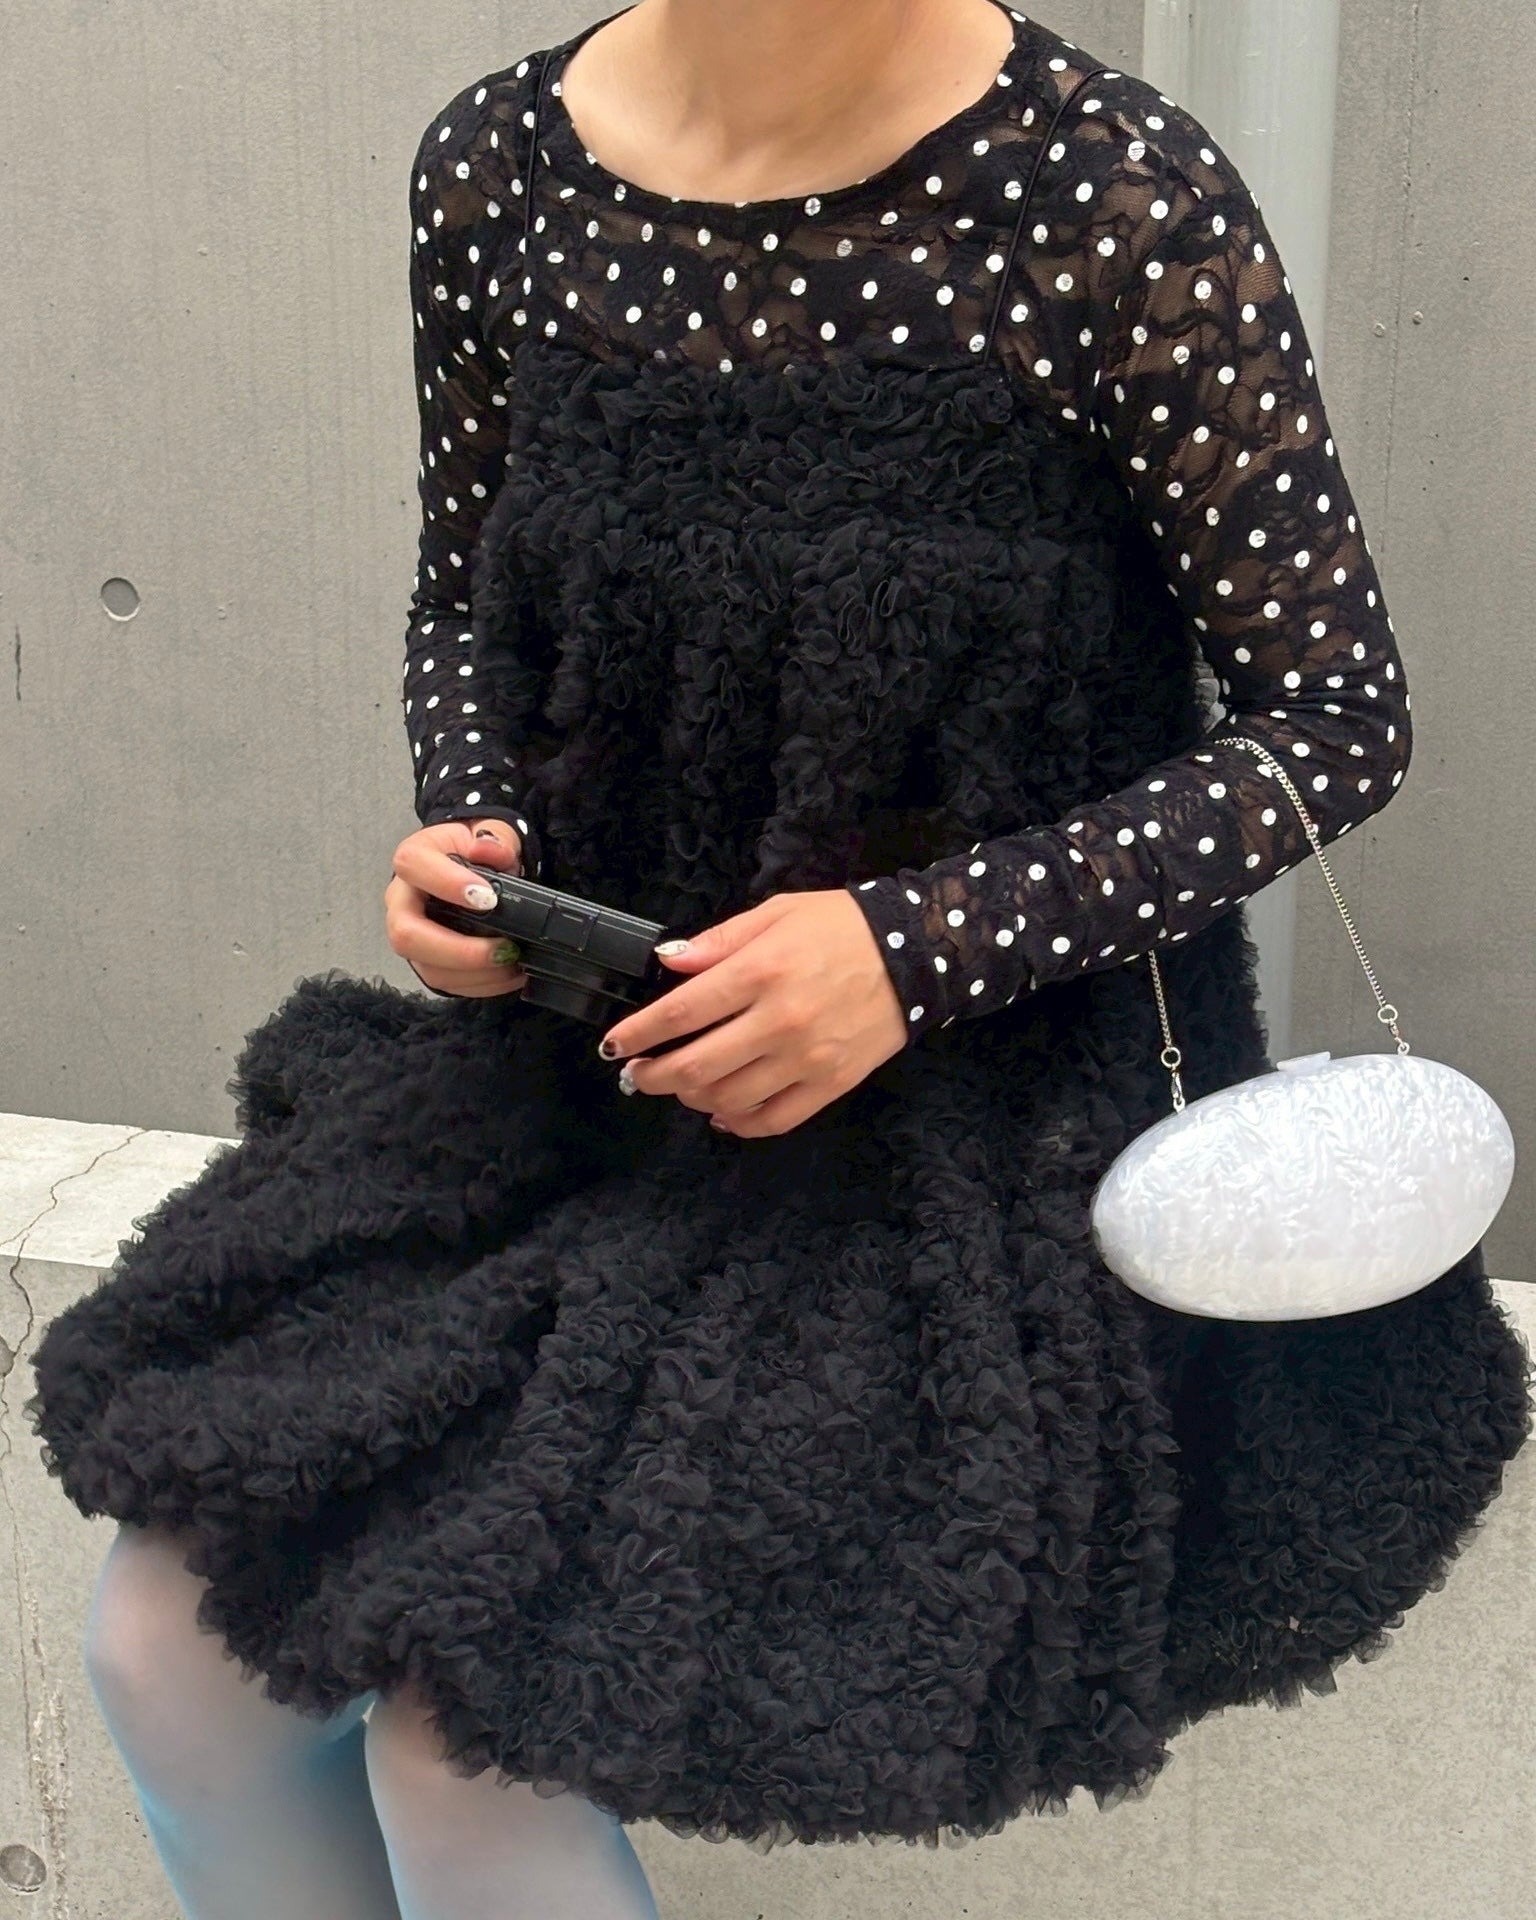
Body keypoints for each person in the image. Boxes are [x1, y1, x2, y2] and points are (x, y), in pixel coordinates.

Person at [25, 2, 1532, 1916]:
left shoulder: (1110, 197)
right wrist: (477, 846)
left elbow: (1333, 719)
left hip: (972, 1125)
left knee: (471, 1748)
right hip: (586, 1079)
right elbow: (461, 599)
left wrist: (909, 951)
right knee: (161, 1657)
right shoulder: (501, 169)